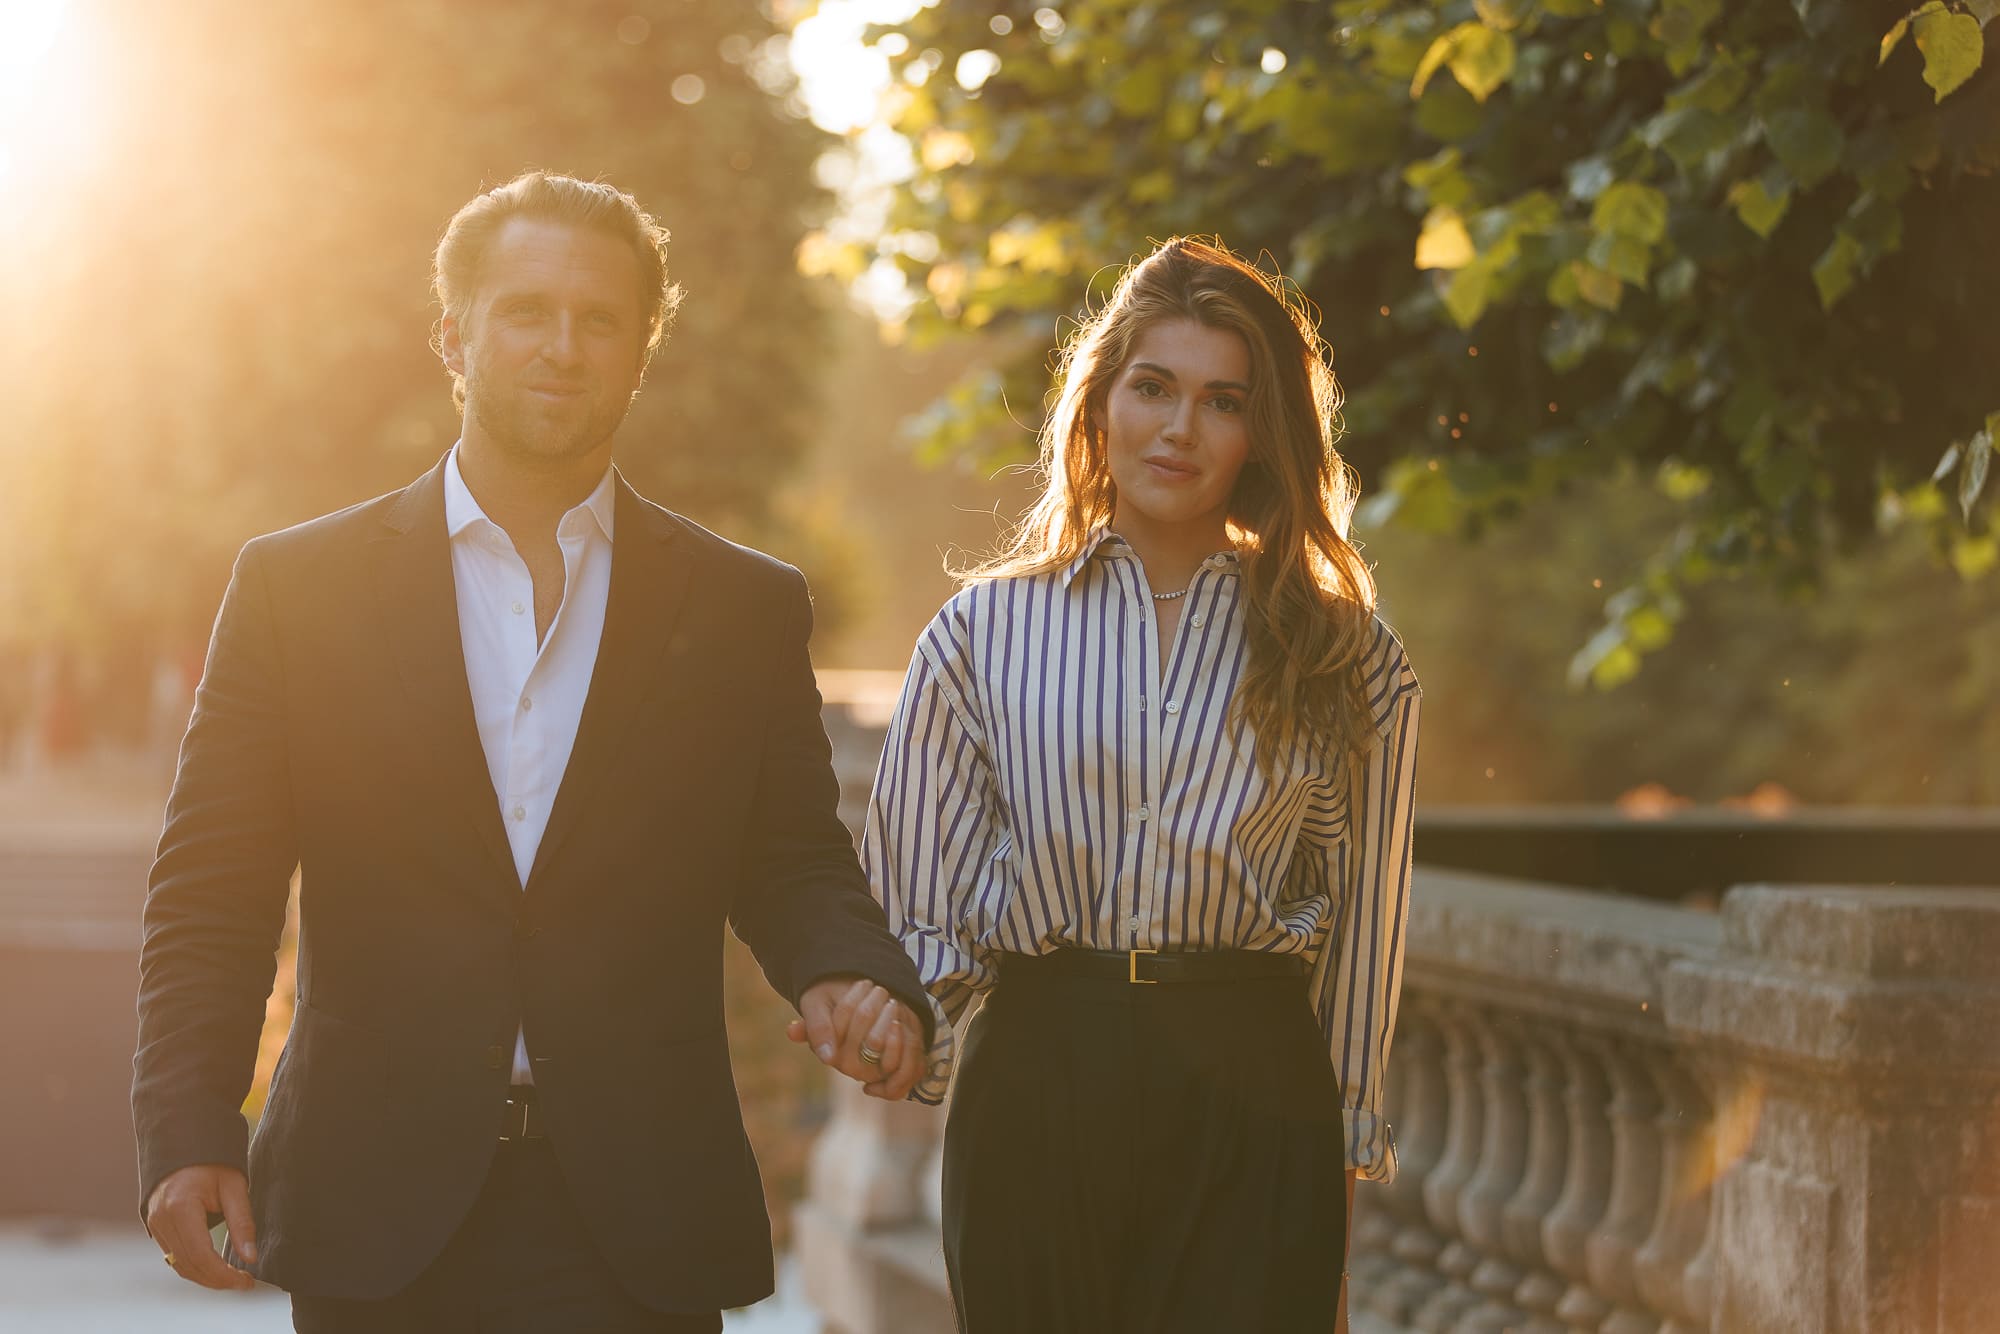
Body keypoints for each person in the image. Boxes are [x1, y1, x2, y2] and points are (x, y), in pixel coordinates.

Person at [133, 171, 928, 1334]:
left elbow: (794, 859)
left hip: (635, 1214)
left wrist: (852, 972)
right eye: (525, 311)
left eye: (599, 319)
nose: (563, 346)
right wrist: (189, 1122)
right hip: (376, 1209)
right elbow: (215, 887)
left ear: (641, 350)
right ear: (453, 334)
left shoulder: (742, 606)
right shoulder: (295, 589)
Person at [864, 237, 1422, 1333]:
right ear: (1099, 402)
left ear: (1261, 434)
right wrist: (888, 1019)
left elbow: (1365, 930)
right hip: (1038, 1078)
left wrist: (1339, 1170)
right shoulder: (979, 634)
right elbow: (918, 901)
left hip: (1253, 1090)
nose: (1178, 428)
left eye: (1222, 400)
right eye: (1152, 387)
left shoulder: (1345, 653)